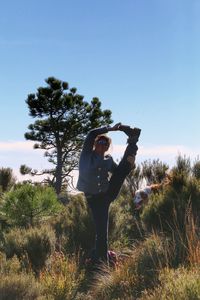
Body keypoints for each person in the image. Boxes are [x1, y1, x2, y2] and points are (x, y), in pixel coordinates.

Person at [77, 122, 141, 265]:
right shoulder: (86, 154)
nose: (103, 145)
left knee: (122, 170)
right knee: (101, 233)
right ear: (95, 144)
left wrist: (128, 166)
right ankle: (101, 262)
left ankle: (133, 140)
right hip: (93, 198)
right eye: (100, 142)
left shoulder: (108, 159)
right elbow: (91, 133)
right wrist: (110, 129)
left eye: (105, 144)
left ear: (107, 147)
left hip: (107, 194)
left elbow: (117, 173)